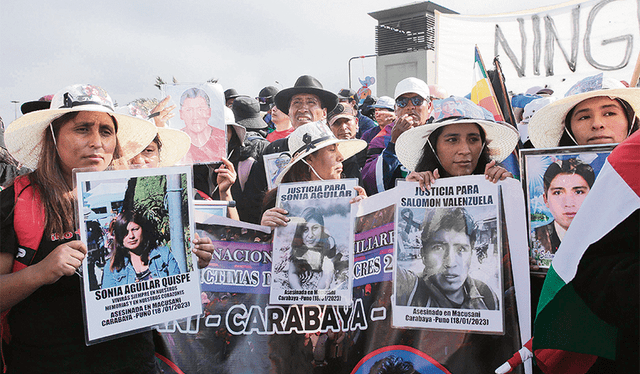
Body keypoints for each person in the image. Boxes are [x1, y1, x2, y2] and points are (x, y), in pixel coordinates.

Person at [0, 84, 214, 373]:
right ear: (53, 135)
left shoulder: (135, 192)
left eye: (105, 131)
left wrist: (189, 258)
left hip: (133, 362)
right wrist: (41, 272)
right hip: (46, 362)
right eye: (82, 129)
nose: (96, 142)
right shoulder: (15, 201)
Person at [243, 75, 339, 224]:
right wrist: (264, 218)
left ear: (324, 113)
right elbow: (253, 201)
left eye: (311, 102)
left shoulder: (338, 150)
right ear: (289, 112)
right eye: (297, 103)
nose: (303, 108)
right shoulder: (273, 150)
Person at [396, 96, 520, 190]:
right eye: (452, 140)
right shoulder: (415, 185)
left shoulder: (498, 184)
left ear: (483, 145)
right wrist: (409, 192)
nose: (465, 150)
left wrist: (508, 190)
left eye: (473, 140)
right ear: (433, 146)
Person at [260, 121, 367, 227]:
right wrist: (266, 230)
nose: (341, 157)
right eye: (331, 150)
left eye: (337, 149)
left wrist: (366, 215)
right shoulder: (278, 202)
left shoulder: (352, 198)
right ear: (309, 159)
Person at [396, 207, 499, 310]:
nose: (450, 263)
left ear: (471, 254)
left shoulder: (487, 295)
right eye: (438, 248)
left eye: (461, 249)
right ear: (423, 255)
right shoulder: (410, 289)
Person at [362, 77, 433, 195]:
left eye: (417, 101)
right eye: (402, 102)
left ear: (429, 106)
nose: (410, 107)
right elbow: (370, 182)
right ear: (395, 109)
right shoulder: (382, 138)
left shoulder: (440, 134)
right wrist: (393, 143)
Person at [528, 73, 640, 148]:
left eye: (609, 113)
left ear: (630, 120)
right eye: (584, 117)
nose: (597, 124)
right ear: (569, 128)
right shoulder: (551, 180)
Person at [102, 210, 180, 287]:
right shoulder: (112, 267)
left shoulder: (163, 255)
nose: (131, 236)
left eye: (135, 229)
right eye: (125, 232)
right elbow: (109, 298)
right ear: (119, 236)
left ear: (143, 230)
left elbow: (180, 288)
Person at [534, 158, 595, 256]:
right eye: (558, 193)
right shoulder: (534, 238)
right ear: (546, 199)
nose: (569, 203)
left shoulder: (605, 236)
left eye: (578, 192)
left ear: (592, 195)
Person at [288, 207, 337, 290]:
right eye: (305, 230)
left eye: (315, 228)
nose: (310, 235)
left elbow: (327, 274)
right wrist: (300, 293)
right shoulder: (297, 245)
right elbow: (292, 273)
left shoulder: (330, 244)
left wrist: (316, 296)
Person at [179, 87, 226, 163]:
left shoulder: (222, 137)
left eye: (200, 109)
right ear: (181, 114)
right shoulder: (175, 140)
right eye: (189, 110)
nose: (195, 116)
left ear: (209, 112)